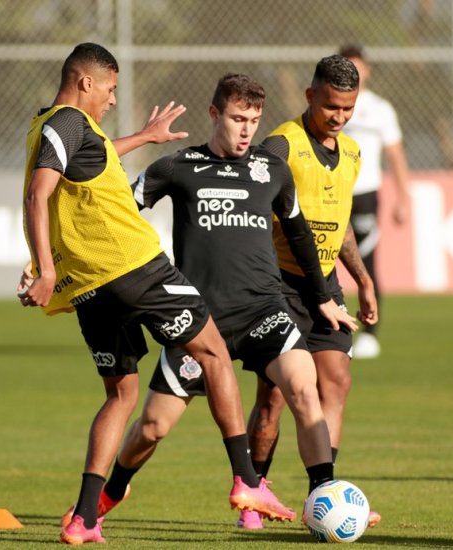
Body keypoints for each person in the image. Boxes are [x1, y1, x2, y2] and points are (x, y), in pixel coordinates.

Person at [17, 43, 294, 545]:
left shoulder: (53, 128)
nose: (112, 99)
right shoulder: (67, 122)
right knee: (214, 352)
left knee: (121, 396)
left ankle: (84, 519)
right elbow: (40, 192)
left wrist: (144, 137)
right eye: (110, 89)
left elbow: (89, 163)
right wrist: (44, 268)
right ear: (85, 83)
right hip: (132, 265)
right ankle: (247, 482)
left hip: (92, 286)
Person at [58, 72, 359, 531]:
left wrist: (324, 299)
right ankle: (113, 490)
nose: (246, 130)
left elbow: (298, 236)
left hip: (264, 310)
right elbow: (117, 209)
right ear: (215, 114)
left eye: (254, 120)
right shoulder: (176, 167)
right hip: (199, 322)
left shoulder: (271, 170)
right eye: (238, 118)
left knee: (304, 387)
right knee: (152, 427)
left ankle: (327, 497)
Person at [239, 54, 381, 529]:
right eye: (330, 107)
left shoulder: (354, 154)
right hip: (278, 284)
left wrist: (362, 279)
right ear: (310, 96)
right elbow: (253, 205)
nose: (339, 117)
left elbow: (339, 228)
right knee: (276, 396)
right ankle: (254, 495)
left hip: (326, 284)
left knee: (336, 380)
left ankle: (325, 496)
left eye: (348, 108)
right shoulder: (282, 144)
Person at [339, 44, 411, 359]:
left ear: (367, 70)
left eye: (358, 67)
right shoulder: (331, 105)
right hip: (332, 192)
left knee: (366, 261)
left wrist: (403, 197)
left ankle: (369, 333)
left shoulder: (380, 109)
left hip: (366, 192)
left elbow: (394, 153)